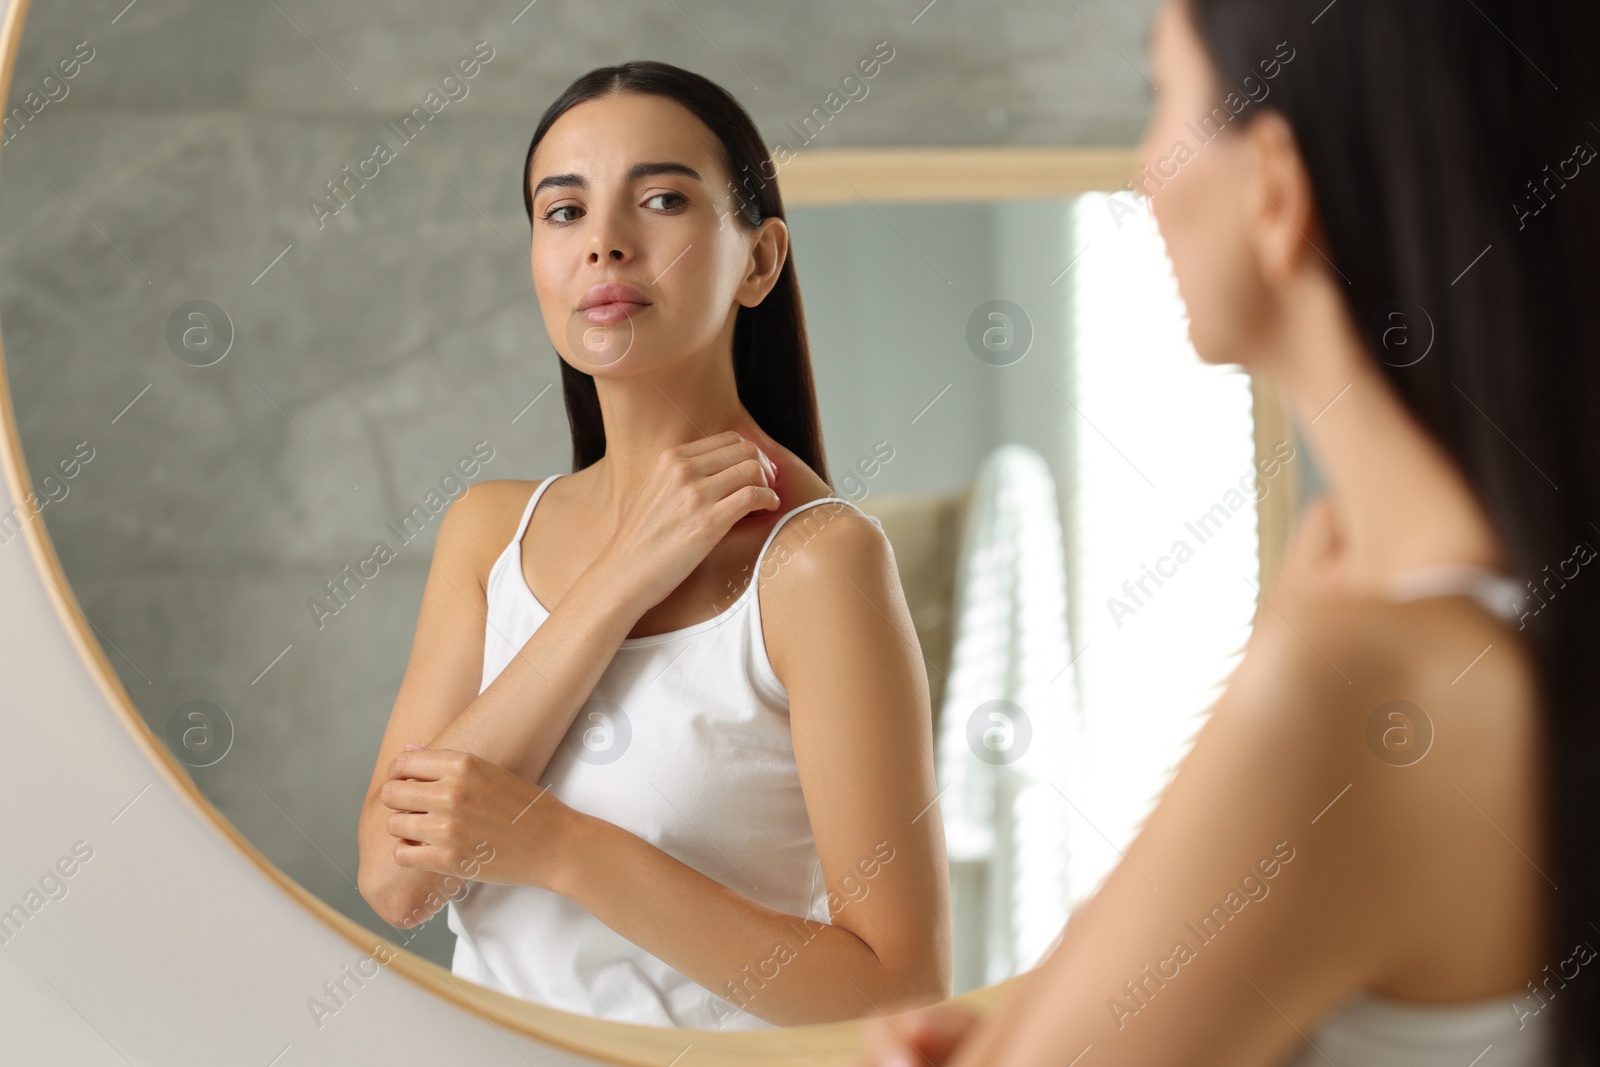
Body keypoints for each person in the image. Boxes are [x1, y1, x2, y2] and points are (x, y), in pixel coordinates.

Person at [865, 0, 1599, 1064]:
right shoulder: (1493, 627)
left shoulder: (1356, 690)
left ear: (1275, 188)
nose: (1143, 166)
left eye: (1163, 98)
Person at [355, 61, 952, 1030]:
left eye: (662, 199)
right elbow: (394, 878)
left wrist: (558, 847)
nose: (604, 244)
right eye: (563, 211)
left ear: (758, 261)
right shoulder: (486, 531)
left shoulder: (816, 563)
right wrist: (620, 578)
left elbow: (898, 989)